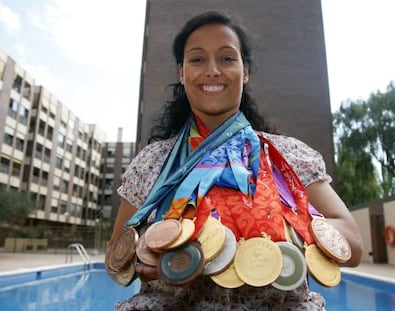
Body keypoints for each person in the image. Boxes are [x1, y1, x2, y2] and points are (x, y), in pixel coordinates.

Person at [108, 11, 363, 310]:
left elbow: (354, 247)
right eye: (197, 59)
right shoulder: (151, 163)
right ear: (181, 72)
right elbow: (115, 253)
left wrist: (284, 222)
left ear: (245, 71)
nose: (212, 70)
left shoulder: (289, 156)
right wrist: (149, 256)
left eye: (227, 58)